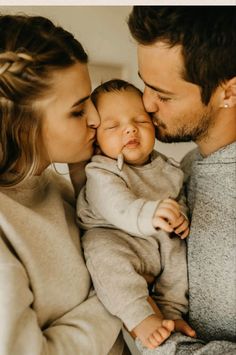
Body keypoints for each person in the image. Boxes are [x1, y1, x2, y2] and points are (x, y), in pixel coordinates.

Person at [0, 14, 131, 355]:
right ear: (20, 126)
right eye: (77, 111)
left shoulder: (60, 185)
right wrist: (123, 295)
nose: (96, 119)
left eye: (90, 100)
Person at [127, 6, 236, 354]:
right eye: (144, 83)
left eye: (164, 94)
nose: (146, 104)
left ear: (229, 92)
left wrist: (161, 346)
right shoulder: (182, 169)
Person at [76, 79, 196, 350]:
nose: (129, 128)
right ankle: (139, 317)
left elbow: (179, 197)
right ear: (96, 137)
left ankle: (172, 312)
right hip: (116, 235)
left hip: (155, 240)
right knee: (103, 256)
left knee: (179, 254)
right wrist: (149, 213)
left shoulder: (169, 168)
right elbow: (115, 204)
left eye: (140, 121)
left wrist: (180, 218)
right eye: (113, 126)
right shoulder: (101, 171)